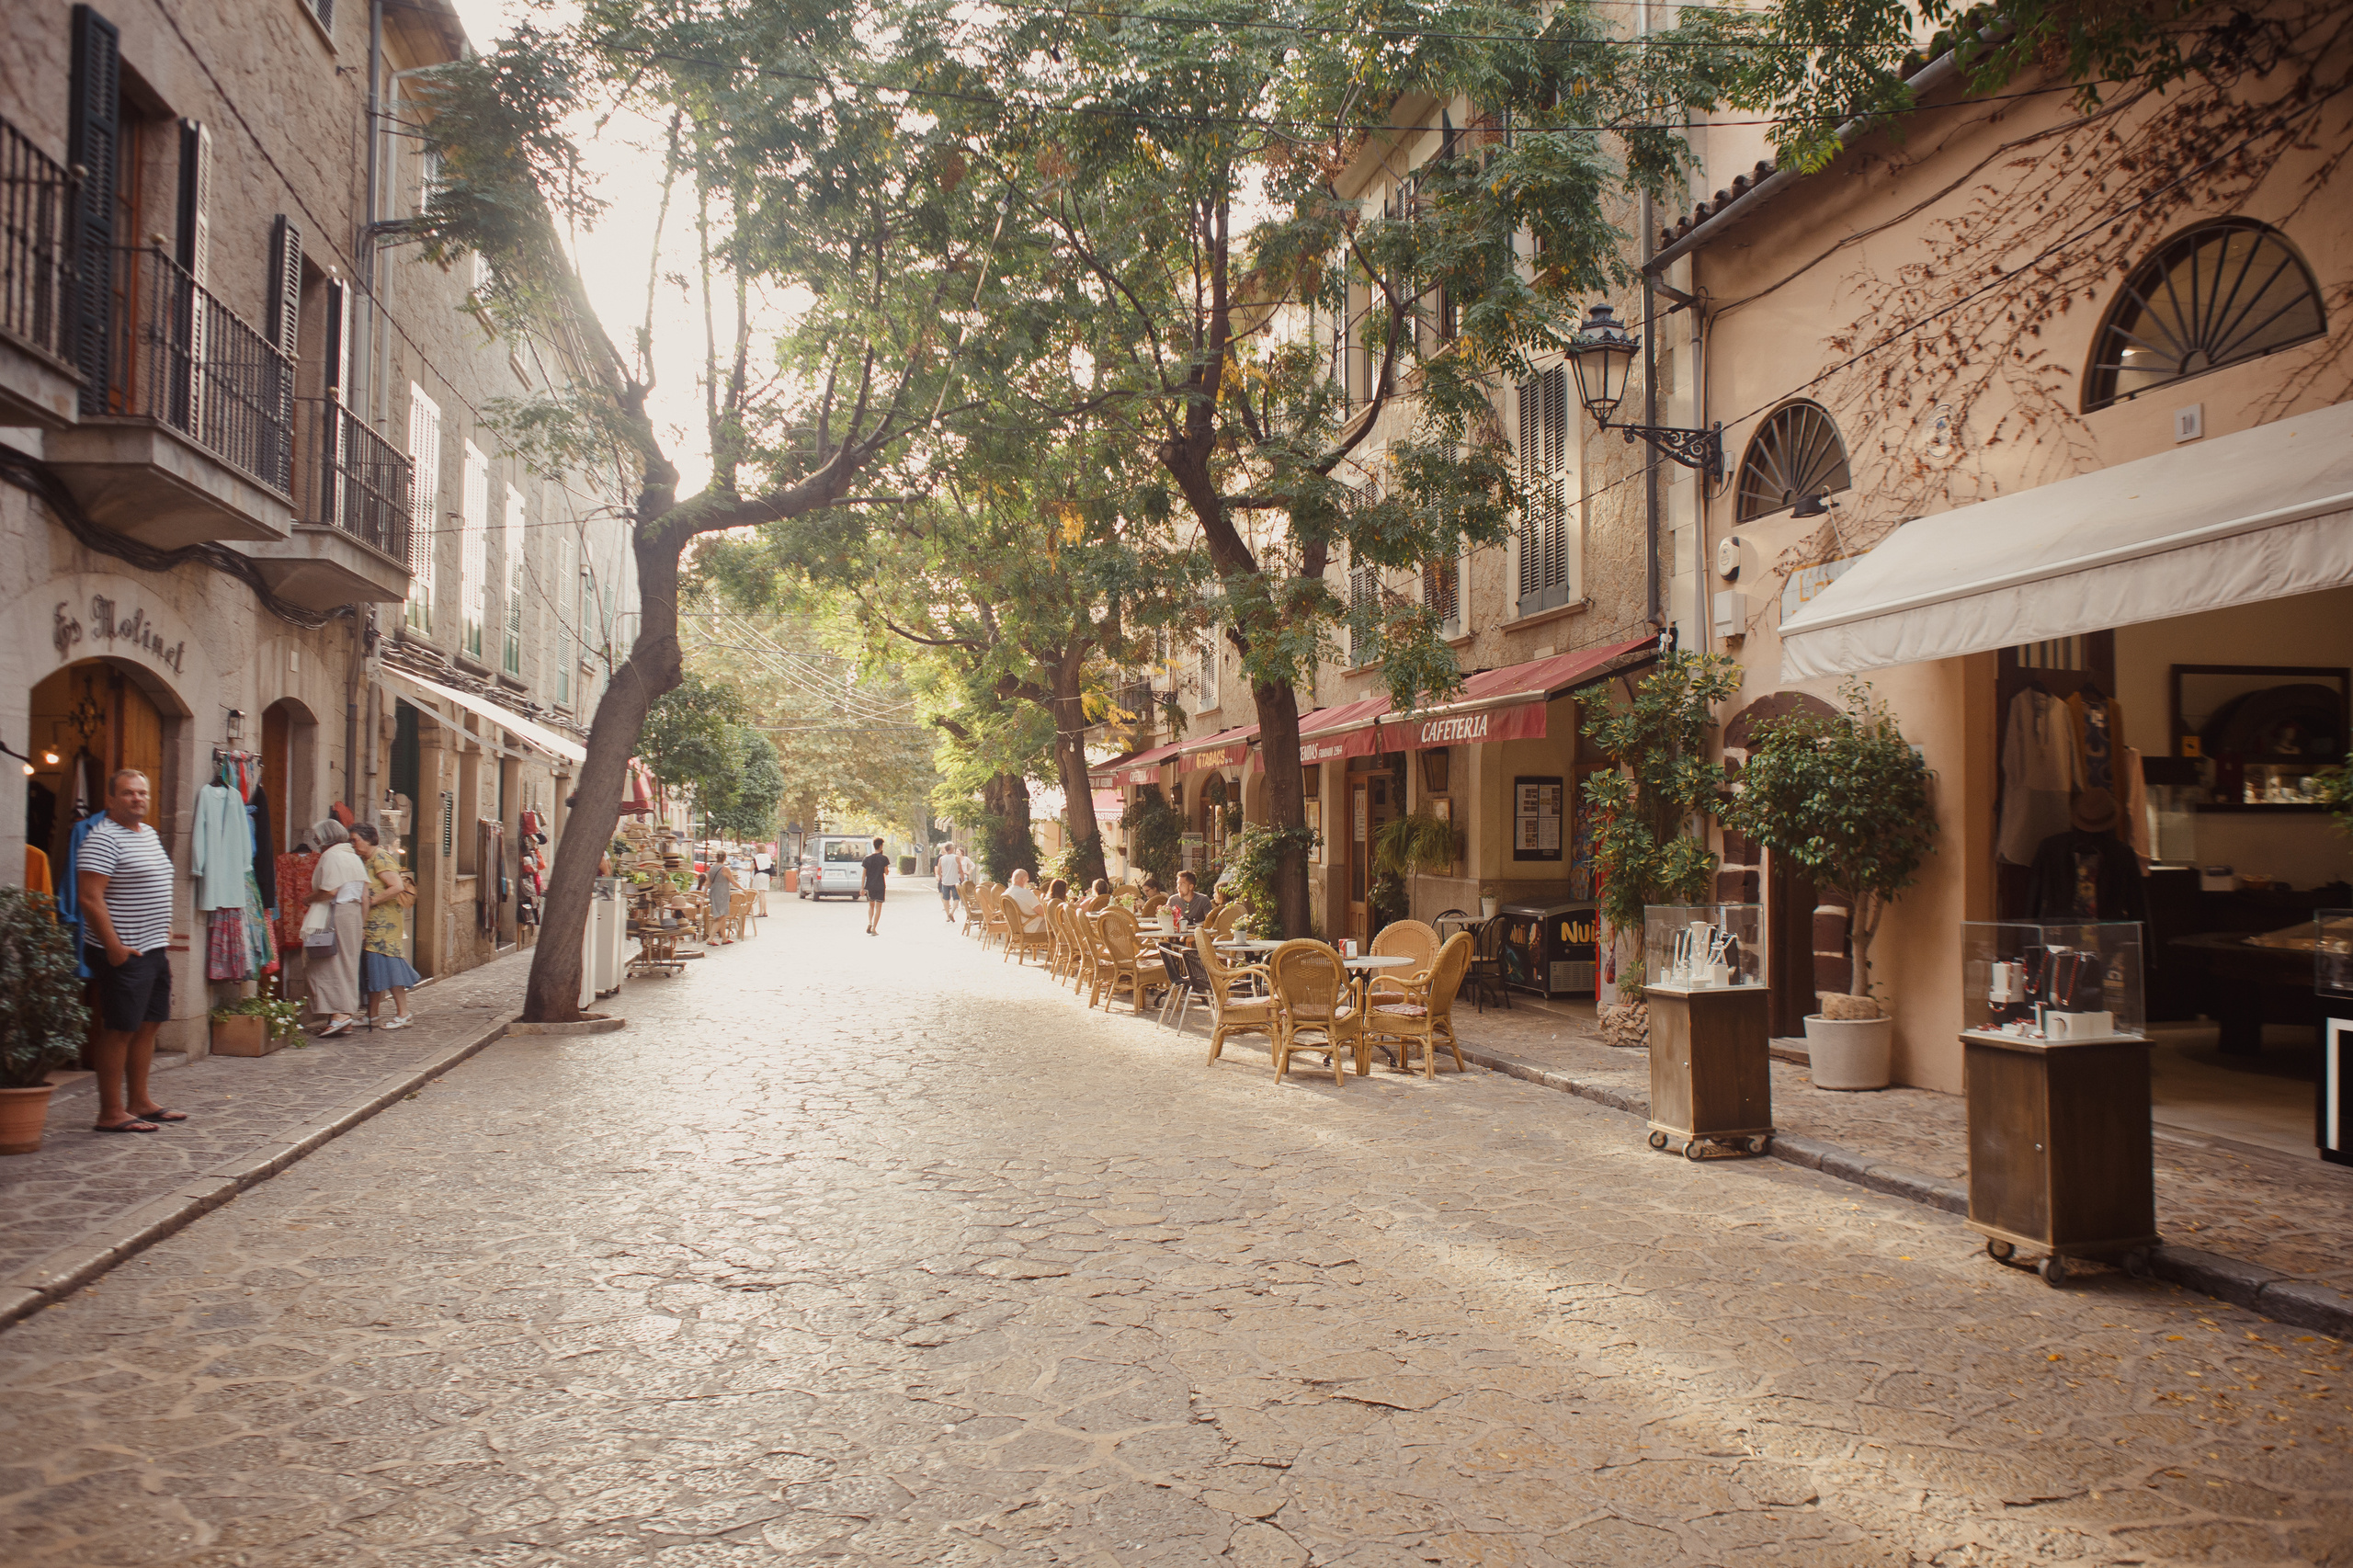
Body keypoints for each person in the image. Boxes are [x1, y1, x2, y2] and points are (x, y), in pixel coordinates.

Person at [77, 768, 184, 1133]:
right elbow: (89, 897)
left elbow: (152, 882)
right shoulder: (102, 839)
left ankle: (139, 1101)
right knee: (119, 1028)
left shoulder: (148, 833)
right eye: (128, 793)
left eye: (142, 793)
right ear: (110, 799)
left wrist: (163, 924)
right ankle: (110, 1112)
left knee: (149, 1024)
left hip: (152, 948)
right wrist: (113, 947)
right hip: (124, 952)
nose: (137, 798)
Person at [349, 823, 420, 1028]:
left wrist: (372, 901)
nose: (352, 844)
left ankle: (404, 1013)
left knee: (390, 966)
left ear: (368, 839)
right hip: (374, 924)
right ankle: (372, 1014)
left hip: (384, 925)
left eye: (355, 840)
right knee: (375, 968)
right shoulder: (367, 859)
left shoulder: (380, 858)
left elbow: (396, 886)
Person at [304, 819, 369, 1037]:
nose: (316, 842)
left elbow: (329, 891)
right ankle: (344, 1016)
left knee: (325, 964)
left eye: (317, 838)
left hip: (335, 912)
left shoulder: (331, 856)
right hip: (354, 914)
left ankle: (339, 1015)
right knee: (347, 965)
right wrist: (362, 925)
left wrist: (308, 899)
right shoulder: (353, 856)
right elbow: (365, 896)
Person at [1003, 868, 1048, 936]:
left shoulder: (1005, 894)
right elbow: (1042, 912)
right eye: (1027, 881)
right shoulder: (1025, 893)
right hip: (1033, 927)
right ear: (1023, 879)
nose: (1027, 883)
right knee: (1060, 926)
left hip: (1016, 929)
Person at [706, 853, 739, 945]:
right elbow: (733, 882)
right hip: (722, 893)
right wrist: (743, 889)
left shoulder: (712, 868)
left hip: (713, 892)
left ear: (716, 857)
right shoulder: (725, 869)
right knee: (722, 915)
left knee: (720, 915)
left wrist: (703, 894)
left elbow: (708, 883)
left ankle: (724, 938)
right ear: (725, 858)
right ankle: (710, 938)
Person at [862, 835, 891, 935]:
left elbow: (864, 874)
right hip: (880, 885)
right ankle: (874, 928)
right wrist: (886, 870)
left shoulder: (867, 858)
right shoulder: (884, 858)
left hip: (870, 885)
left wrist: (862, 888)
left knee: (871, 905)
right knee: (878, 907)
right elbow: (886, 872)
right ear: (881, 846)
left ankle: (870, 922)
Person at [938, 843, 962, 922]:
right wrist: (962, 881)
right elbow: (960, 870)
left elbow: (938, 871)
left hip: (945, 882)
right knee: (957, 898)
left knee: (946, 899)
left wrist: (942, 878)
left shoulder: (941, 858)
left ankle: (948, 916)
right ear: (951, 849)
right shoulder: (956, 858)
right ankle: (952, 912)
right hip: (955, 881)